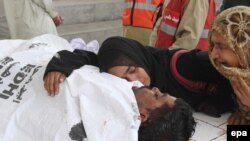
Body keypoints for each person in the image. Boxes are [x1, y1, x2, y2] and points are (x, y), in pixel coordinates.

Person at [43, 36, 236, 117]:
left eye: (132, 70)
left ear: (138, 58)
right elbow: (88, 56)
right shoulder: (135, 69)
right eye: (124, 80)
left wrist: (244, 109)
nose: (135, 80)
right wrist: (59, 65)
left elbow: (238, 64)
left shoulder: (184, 64)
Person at [209, 6, 250, 125]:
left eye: (221, 46)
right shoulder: (236, 74)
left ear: (245, 48)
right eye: (213, 44)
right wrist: (244, 110)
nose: (213, 54)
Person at [149, 0, 215, 51]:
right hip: (163, 58)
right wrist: (152, 53)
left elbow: (188, 40)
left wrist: (165, 59)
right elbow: (160, 24)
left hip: (180, 63)